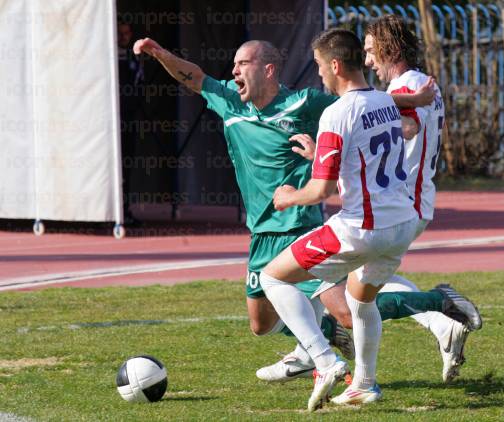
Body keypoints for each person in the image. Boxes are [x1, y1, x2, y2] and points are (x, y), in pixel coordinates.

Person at [132, 36, 477, 401]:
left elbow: (357, 102)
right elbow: (194, 77)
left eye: (242, 64)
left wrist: (411, 103)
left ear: (268, 69)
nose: (233, 71)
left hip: (300, 221)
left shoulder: (306, 103)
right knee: (261, 324)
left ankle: (432, 306)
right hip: (262, 230)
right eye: (232, 64)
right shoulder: (230, 103)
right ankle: (316, 342)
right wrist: (158, 53)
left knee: (347, 311)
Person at [260, 28, 482, 410]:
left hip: (361, 227)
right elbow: (399, 129)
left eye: (318, 67)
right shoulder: (384, 100)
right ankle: (363, 384)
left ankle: (323, 360)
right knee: (360, 301)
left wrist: (287, 198)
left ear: (333, 65)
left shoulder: (336, 112)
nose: (318, 76)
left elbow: (321, 191)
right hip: (401, 225)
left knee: (272, 277)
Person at [364, 15, 481, 383]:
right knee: (363, 281)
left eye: (370, 51)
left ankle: (323, 359)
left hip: (400, 202)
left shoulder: (408, 85)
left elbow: (409, 125)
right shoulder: (420, 83)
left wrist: (358, 133)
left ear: (389, 48)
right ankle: (440, 322)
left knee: (351, 286)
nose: (368, 61)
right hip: (411, 199)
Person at [118, 22, 143, 226]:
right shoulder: (110, 58)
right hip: (112, 122)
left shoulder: (133, 57)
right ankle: (110, 212)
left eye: (127, 32)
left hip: (129, 120)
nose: (123, 37)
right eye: (119, 33)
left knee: (127, 166)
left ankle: (124, 209)